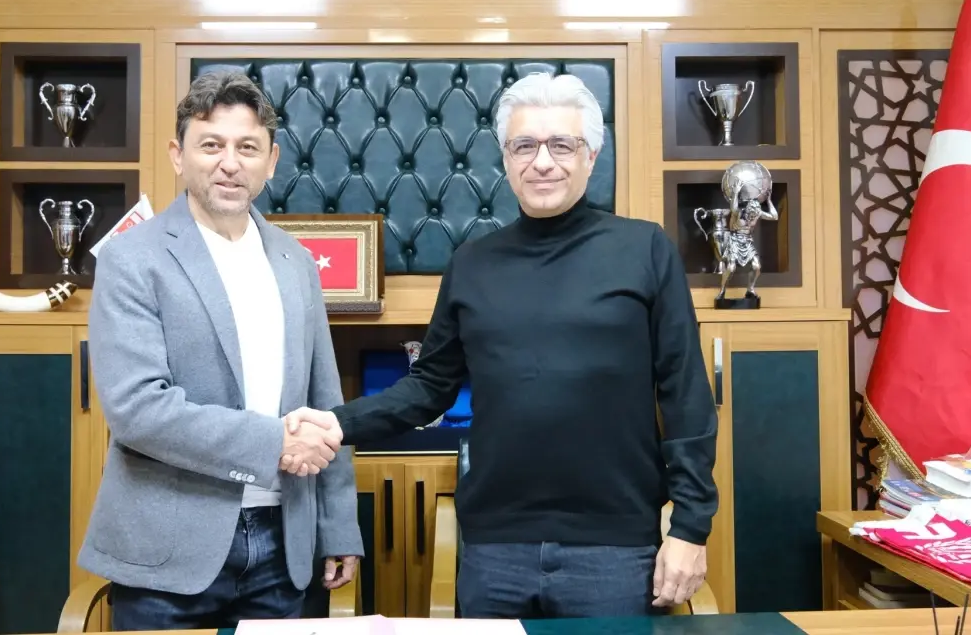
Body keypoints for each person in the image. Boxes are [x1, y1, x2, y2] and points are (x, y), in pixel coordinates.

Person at [284, 72, 718, 619]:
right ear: (506, 160)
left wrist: (690, 527)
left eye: (562, 145)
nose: (543, 162)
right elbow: (430, 386)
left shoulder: (645, 249)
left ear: (591, 156)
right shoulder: (472, 263)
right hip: (494, 550)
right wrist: (337, 423)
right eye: (525, 146)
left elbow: (686, 395)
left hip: (614, 549)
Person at [78, 70, 364, 630]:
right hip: (168, 553)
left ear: (271, 161)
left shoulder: (297, 262)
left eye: (247, 148)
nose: (230, 163)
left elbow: (325, 402)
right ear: (178, 155)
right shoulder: (131, 259)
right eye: (211, 145)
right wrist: (275, 442)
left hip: (284, 547)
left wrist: (337, 526)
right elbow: (138, 410)